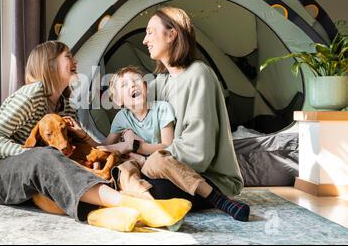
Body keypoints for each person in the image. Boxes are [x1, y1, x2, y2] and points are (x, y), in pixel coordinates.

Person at [0, 41, 192, 232]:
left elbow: (83, 148)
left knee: (96, 162)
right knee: (44, 155)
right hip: (4, 177)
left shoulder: (67, 105)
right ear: (49, 64)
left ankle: (101, 214)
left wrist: (95, 152)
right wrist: (27, 152)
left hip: (40, 183)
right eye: (68, 56)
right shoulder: (30, 95)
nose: (76, 61)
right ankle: (134, 205)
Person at [67, 65, 249, 222]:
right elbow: (104, 146)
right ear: (118, 100)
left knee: (158, 160)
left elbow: (167, 146)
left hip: (156, 162)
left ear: (145, 87)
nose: (132, 85)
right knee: (123, 172)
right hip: (136, 164)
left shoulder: (161, 109)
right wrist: (84, 136)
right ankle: (153, 210)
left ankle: (219, 199)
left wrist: (138, 147)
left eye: (136, 81)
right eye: (125, 85)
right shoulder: (121, 118)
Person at [137, 6, 250, 221]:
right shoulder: (160, 82)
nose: (145, 40)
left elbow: (198, 151)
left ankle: (217, 199)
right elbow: (138, 122)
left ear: (172, 34)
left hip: (205, 177)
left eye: (150, 32)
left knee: (153, 189)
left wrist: (147, 158)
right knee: (122, 174)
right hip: (164, 167)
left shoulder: (199, 74)